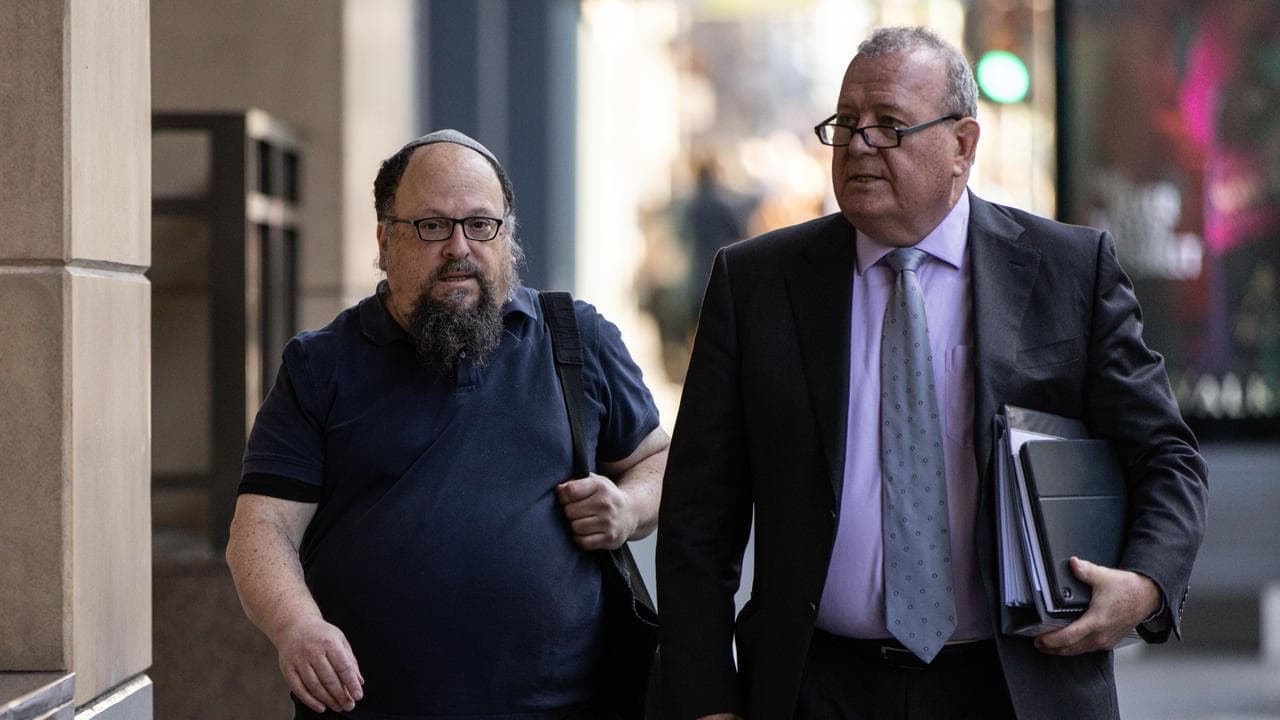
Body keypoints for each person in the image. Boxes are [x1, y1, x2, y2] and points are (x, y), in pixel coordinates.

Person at [656, 26, 1208, 720]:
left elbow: (1166, 456)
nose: (859, 145)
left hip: (1015, 687)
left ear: (963, 145)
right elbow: (697, 520)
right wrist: (706, 700)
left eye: (889, 125)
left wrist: (1146, 584)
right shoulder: (756, 283)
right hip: (814, 687)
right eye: (846, 124)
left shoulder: (1068, 271)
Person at [226, 129, 669, 720]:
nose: (459, 247)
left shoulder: (575, 339)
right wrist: (297, 626)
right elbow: (262, 528)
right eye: (432, 226)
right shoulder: (322, 364)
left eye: (481, 224)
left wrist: (629, 507)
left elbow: (658, 460)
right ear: (384, 239)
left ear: (507, 235)